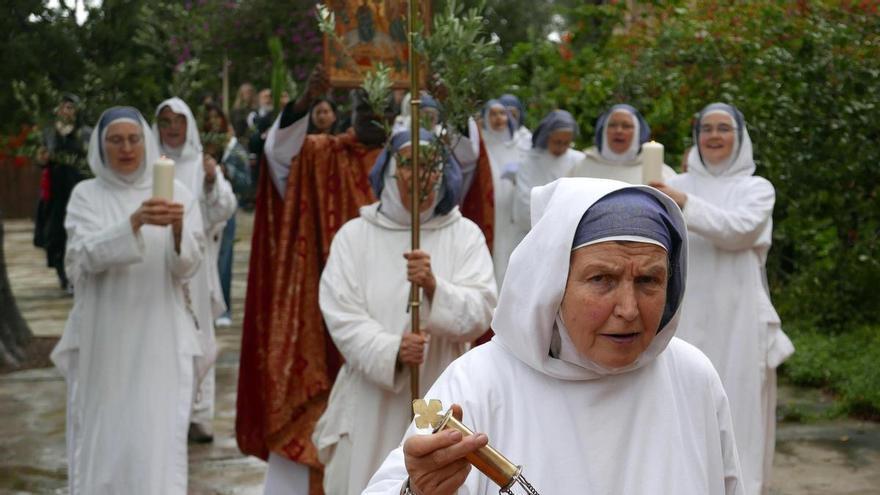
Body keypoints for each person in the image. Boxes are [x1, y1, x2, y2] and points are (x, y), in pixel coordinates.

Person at [363, 178, 744, 494]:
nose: (628, 308)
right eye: (602, 280)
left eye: (648, 280)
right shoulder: (480, 383)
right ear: (552, 284)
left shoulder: (693, 378)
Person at [313, 129, 497, 495]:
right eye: (409, 164)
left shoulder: (465, 235)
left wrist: (433, 288)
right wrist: (392, 350)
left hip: (441, 389)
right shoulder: (354, 236)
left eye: (430, 166)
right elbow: (341, 313)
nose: (420, 175)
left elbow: (483, 309)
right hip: (370, 397)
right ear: (390, 171)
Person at [51, 106, 204, 494]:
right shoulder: (86, 196)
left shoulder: (177, 194)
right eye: (115, 140)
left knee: (155, 433)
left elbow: (187, 267)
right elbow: (79, 259)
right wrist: (133, 223)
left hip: (159, 336)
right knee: (106, 434)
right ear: (100, 147)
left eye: (134, 139)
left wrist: (178, 229)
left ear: (146, 142)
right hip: (105, 338)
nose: (126, 148)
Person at [650, 103, 794, 495]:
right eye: (707, 128)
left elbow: (740, 230)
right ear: (696, 136)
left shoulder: (757, 188)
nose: (714, 135)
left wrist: (684, 203)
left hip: (739, 317)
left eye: (723, 128)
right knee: (683, 401)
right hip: (686, 310)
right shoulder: (676, 182)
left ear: (739, 137)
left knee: (740, 409)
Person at [154, 97, 238, 443]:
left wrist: (209, 180)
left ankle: (199, 415)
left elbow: (225, 208)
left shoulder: (201, 163)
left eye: (178, 121)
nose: (172, 128)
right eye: (165, 121)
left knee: (200, 336)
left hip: (196, 265)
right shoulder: (149, 165)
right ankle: (164, 409)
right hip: (157, 265)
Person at [33, 93, 92, 292]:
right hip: (56, 192)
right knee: (56, 235)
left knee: (77, 232)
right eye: (63, 107)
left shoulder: (85, 133)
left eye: (70, 107)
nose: (66, 111)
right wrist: (42, 159)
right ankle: (62, 275)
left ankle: (77, 275)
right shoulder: (49, 133)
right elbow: (41, 159)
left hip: (77, 186)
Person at [201, 103, 251, 326]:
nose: (213, 123)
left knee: (224, 258)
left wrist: (227, 172)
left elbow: (248, 184)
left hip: (225, 211)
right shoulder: (199, 150)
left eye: (216, 118)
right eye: (208, 119)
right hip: (201, 210)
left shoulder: (235, 151)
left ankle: (223, 309)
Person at [512, 110, 584, 243]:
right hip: (533, 236)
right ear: (547, 137)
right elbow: (523, 205)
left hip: (568, 237)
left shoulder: (579, 160)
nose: (562, 147)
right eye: (557, 142)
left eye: (566, 143)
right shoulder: (529, 162)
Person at [569, 103, 676, 184]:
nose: (618, 131)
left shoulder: (660, 172)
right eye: (612, 125)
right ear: (604, 130)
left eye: (626, 126)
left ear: (638, 133)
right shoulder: (582, 168)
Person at [479, 100, 521, 286]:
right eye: (493, 114)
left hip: (512, 208)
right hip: (490, 210)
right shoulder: (483, 145)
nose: (498, 119)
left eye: (502, 114)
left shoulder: (518, 144)